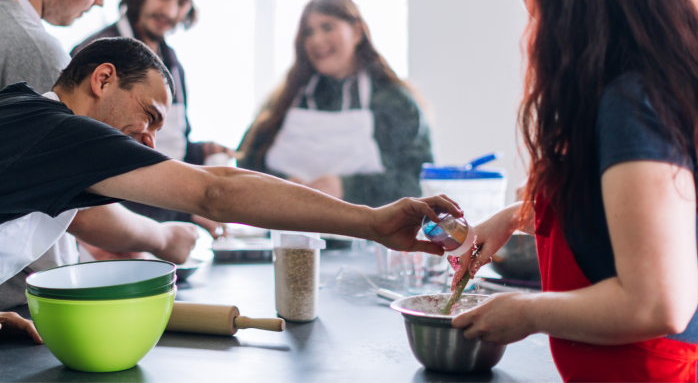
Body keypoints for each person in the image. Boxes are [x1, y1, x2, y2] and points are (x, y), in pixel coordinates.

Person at [0, 36, 460, 342]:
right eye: (150, 115)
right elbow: (216, 193)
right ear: (103, 79)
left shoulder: (25, 111)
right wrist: (373, 221)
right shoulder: (67, 135)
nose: (148, 139)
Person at [451, 0, 698, 381]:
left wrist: (527, 312)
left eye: (541, 19)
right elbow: (633, 210)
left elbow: (659, 302)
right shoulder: (656, 82)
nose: (535, 39)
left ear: (583, 14)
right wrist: (515, 218)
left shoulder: (635, 103)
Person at [0, 0, 198, 312]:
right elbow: (76, 191)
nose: (99, 0)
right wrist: (163, 238)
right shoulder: (37, 49)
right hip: (21, 304)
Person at [72, 0, 227, 238]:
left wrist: (202, 151)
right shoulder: (95, 54)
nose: (169, 12)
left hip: (165, 224)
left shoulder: (174, 65)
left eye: (182, 2)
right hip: (114, 232)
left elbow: (166, 145)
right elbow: (90, 159)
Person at [238, 0, 433, 207]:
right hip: (288, 234)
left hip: (365, 239)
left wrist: (348, 187)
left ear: (357, 32)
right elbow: (245, 164)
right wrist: (282, 185)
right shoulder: (286, 100)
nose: (316, 40)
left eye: (327, 27)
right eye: (308, 32)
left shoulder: (394, 101)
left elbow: (418, 182)